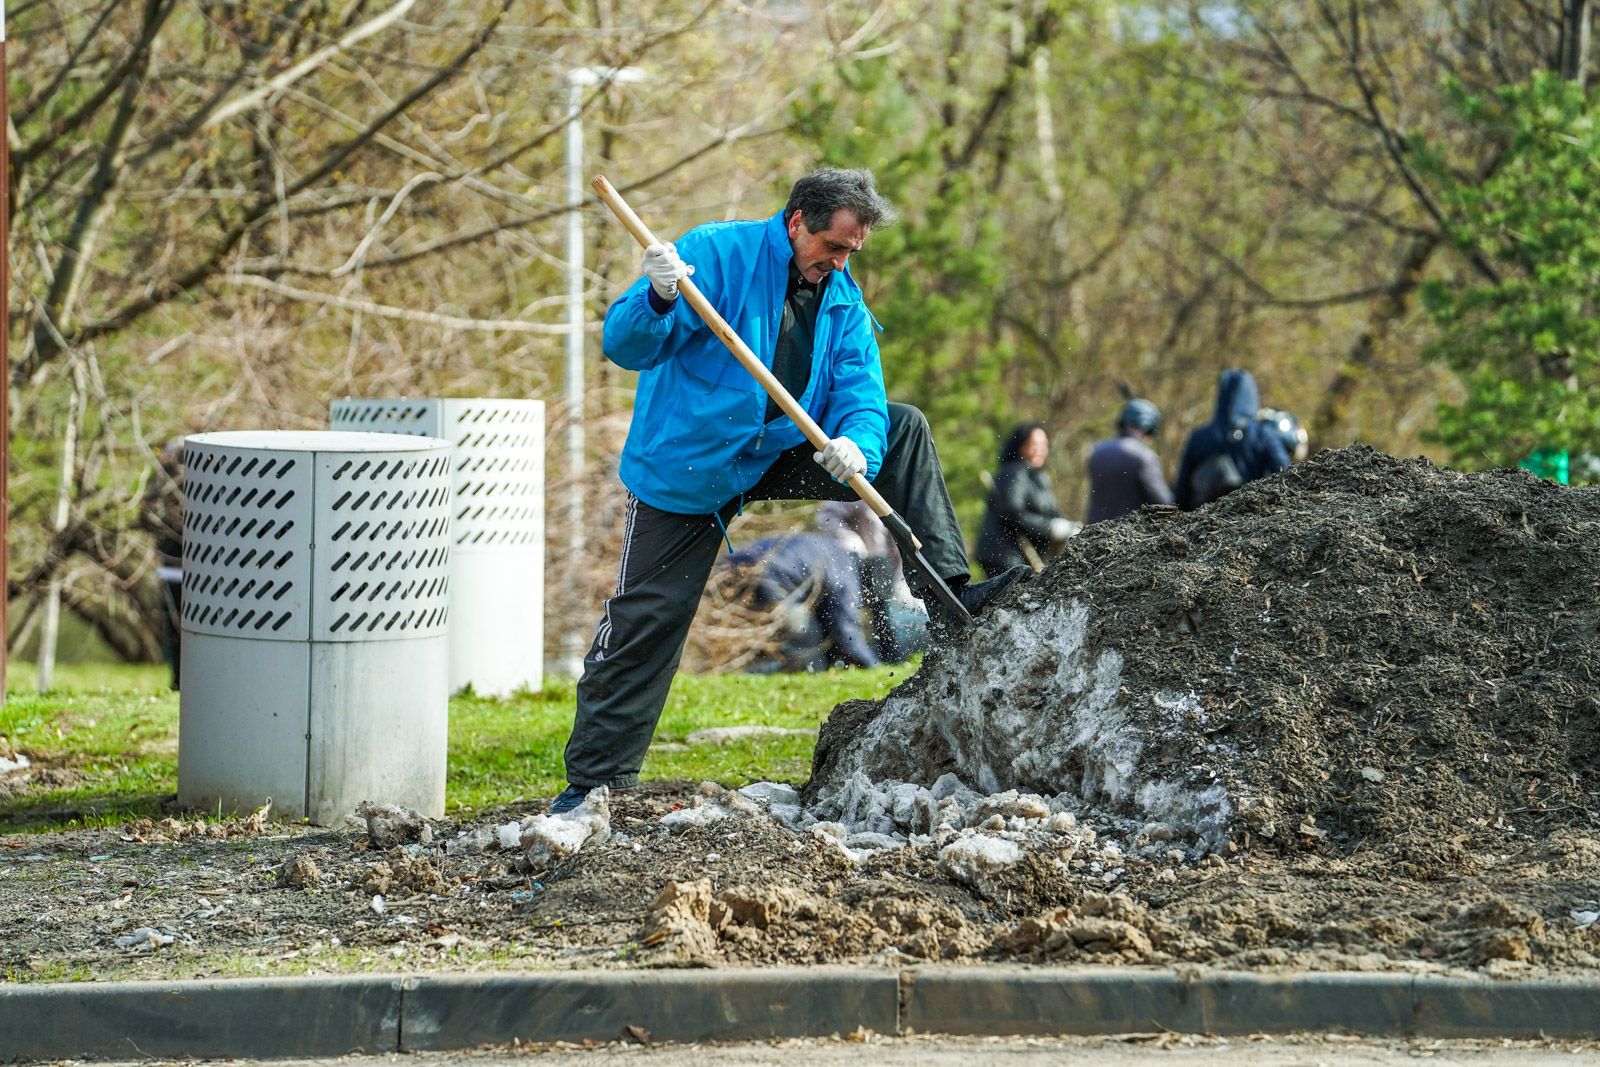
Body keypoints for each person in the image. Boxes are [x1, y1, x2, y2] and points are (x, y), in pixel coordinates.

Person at [552, 168, 1028, 813]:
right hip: (689, 466)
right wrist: (657, 299)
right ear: (797, 220)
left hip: (776, 449)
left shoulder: (841, 299)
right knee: (648, 616)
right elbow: (626, 347)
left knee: (905, 425)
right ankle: (595, 780)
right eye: (832, 247)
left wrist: (859, 441)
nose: (838, 264)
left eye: (851, 254)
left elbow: (861, 393)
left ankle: (949, 595)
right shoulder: (716, 254)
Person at [722, 532, 880, 673]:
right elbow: (846, 630)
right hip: (767, 574)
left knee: (756, 638)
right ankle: (804, 674)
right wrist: (872, 664)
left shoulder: (831, 547)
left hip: (731, 567)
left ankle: (741, 670)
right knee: (808, 637)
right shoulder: (848, 571)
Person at [1173, 369, 1292, 511]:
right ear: (1251, 395)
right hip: (1251, 518)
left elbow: (1182, 490)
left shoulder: (1199, 437)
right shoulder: (1264, 434)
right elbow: (1285, 476)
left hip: (1202, 520)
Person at [975, 423, 1074, 577]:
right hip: (1005, 555)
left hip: (1020, 556)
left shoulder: (1038, 477)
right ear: (1020, 445)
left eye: (1044, 445)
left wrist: (1067, 526)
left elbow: (1050, 511)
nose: (1039, 450)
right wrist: (1051, 528)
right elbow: (1013, 513)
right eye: (1034, 444)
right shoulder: (1014, 472)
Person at [1085, 398, 1173, 524]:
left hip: (1092, 534)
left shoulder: (1098, 451)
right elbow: (1164, 502)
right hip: (1129, 536)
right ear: (1147, 427)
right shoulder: (1144, 456)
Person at [142, 437, 186, 689]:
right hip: (172, 569)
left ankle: (180, 680)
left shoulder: (159, 486)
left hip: (176, 568)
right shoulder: (160, 488)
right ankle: (179, 680)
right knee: (176, 625)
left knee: (177, 625)